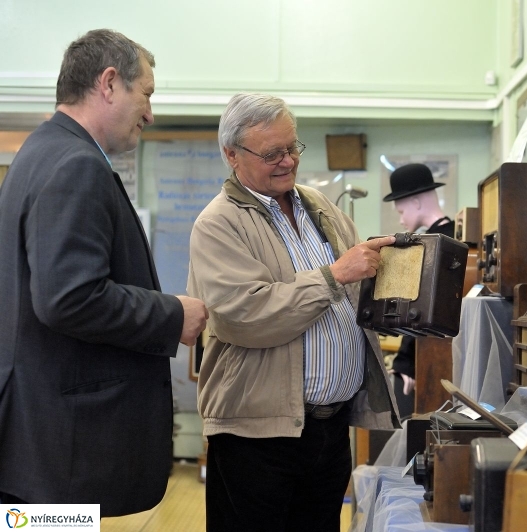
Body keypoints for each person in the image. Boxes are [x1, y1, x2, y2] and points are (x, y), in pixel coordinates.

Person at [0, 29, 208, 516]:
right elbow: (68, 297)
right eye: (147, 94)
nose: (150, 114)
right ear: (109, 83)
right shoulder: (75, 164)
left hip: (41, 445)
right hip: (58, 451)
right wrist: (172, 315)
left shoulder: (40, 151)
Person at [187, 93, 400, 532]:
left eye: (292, 148)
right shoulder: (218, 223)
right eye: (272, 154)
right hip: (256, 435)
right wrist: (334, 275)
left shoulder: (321, 207)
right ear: (232, 155)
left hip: (329, 428)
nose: (287, 161)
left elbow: (356, 291)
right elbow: (247, 314)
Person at [382, 163, 454, 406]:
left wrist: (405, 362)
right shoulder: (454, 236)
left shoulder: (433, 245)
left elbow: (421, 309)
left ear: (415, 202)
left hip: (432, 357)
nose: (401, 220)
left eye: (401, 212)